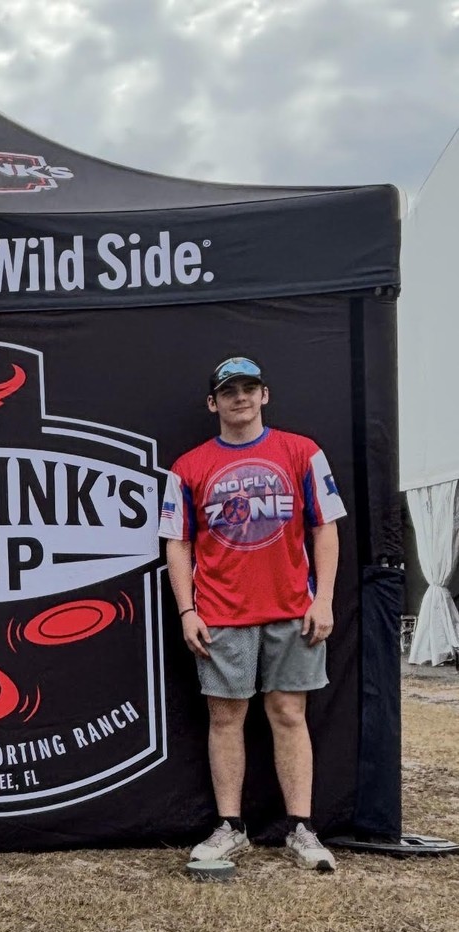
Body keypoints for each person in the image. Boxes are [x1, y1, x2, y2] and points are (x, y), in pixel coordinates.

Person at [158, 357, 345, 872]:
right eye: (229, 390)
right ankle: (231, 828)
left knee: (289, 715)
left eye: (249, 387)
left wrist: (324, 598)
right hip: (220, 614)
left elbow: (325, 528)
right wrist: (187, 611)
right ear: (212, 403)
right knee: (225, 718)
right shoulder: (188, 467)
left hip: (292, 610)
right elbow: (176, 543)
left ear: (265, 395)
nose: (240, 397)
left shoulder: (302, 453)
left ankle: (302, 829)